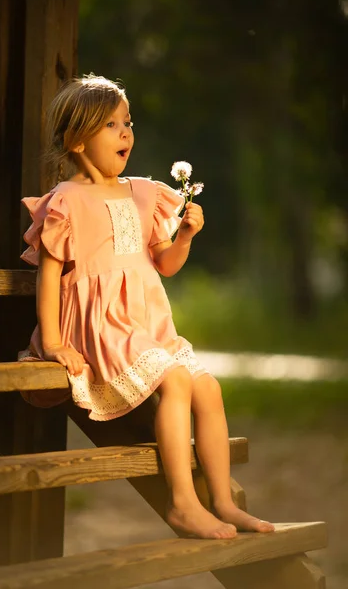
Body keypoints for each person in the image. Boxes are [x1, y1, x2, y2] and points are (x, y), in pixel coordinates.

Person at [19, 74, 275, 540]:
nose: (126, 134)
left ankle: (221, 501)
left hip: (148, 324)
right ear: (77, 140)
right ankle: (182, 503)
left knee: (208, 389)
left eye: (128, 122)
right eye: (112, 125)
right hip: (100, 327)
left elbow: (166, 264)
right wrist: (53, 342)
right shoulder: (66, 201)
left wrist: (185, 237)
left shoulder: (143, 192)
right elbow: (49, 275)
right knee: (175, 379)